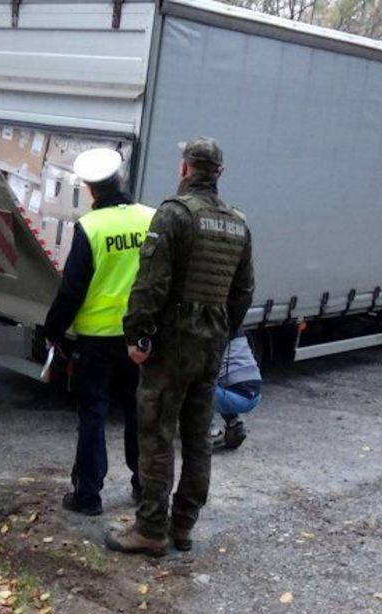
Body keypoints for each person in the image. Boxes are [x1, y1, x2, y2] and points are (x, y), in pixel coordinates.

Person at [106, 138, 255, 557]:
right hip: (211, 344)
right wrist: (222, 330)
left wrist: (138, 335)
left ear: (185, 168)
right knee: (197, 435)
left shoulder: (174, 215)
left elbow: (151, 282)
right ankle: (183, 524)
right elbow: (243, 291)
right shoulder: (238, 223)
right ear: (219, 173)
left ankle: (151, 528)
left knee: (156, 432)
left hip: (173, 343)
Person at [44, 148, 156, 516]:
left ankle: (88, 495)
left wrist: (54, 330)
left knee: (93, 414)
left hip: (96, 340)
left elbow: (72, 288)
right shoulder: (151, 219)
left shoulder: (90, 228)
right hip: (140, 338)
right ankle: (143, 485)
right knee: (139, 413)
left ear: (91, 190)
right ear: (121, 180)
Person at [210, 333, 262, 451]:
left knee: (197, 388)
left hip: (236, 397)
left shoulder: (214, 336)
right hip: (255, 394)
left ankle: (210, 433)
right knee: (225, 387)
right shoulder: (242, 336)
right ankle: (234, 423)